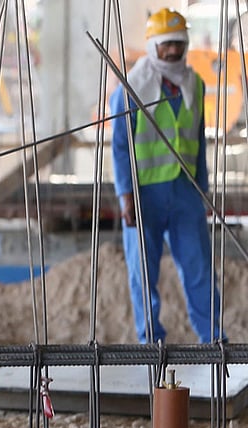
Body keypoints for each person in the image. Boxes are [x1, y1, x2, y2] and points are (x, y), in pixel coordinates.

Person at [109, 7, 222, 344]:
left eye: (178, 42)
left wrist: (202, 191)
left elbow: (198, 141)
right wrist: (125, 194)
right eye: (166, 44)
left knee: (200, 269)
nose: (173, 50)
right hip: (144, 195)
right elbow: (119, 146)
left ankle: (214, 338)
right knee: (143, 272)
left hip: (186, 193)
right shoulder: (131, 88)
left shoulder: (195, 85)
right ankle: (151, 340)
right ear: (153, 45)